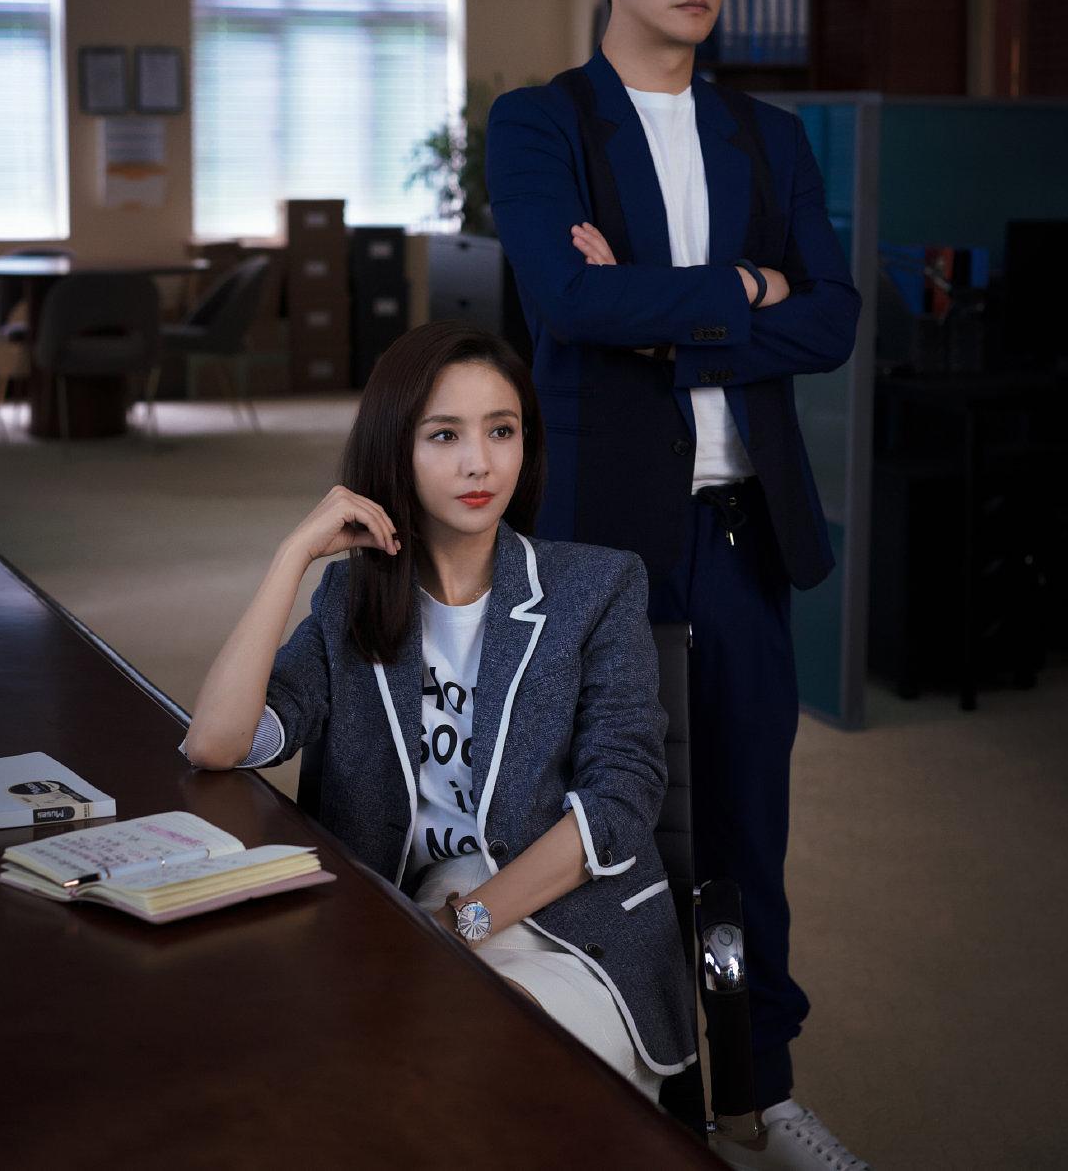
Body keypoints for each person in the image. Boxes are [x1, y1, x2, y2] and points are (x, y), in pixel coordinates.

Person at [485, 0, 867, 1169]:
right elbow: (564, 301)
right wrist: (745, 291)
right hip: (604, 541)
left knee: (749, 824)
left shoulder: (769, 136)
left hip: (743, 532)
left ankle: (760, 1093)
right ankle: (610, 1083)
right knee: (603, 817)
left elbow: (834, 320)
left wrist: (665, 312)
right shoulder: (542, 124)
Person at [182, 320, 693, 1102]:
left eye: (501, 431)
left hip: (571, 924)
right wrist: (293, 557)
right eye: (445, 435)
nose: (479, 462)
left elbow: (619, 803)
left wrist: (461, 928)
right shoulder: (352, 602)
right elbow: (218, 744)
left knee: (472, 1051)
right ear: (397, 450)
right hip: (410, 913)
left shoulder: (596, 587)